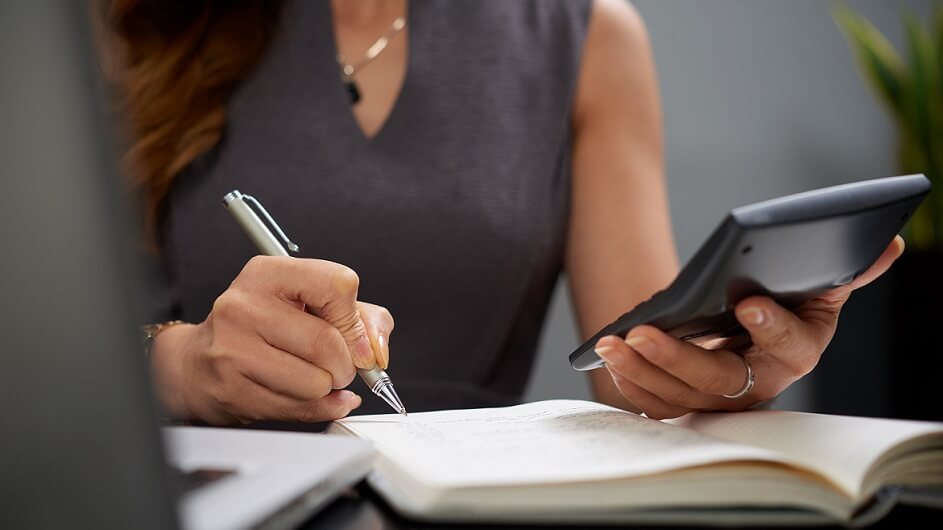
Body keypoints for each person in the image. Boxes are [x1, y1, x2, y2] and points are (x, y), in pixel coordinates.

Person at [96, 0, 904, 425]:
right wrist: (184, 363)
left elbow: (637, 366)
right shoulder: (123, 25)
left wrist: (745, 362)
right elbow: (39, 354)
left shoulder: (587, 33)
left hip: (470, 498)